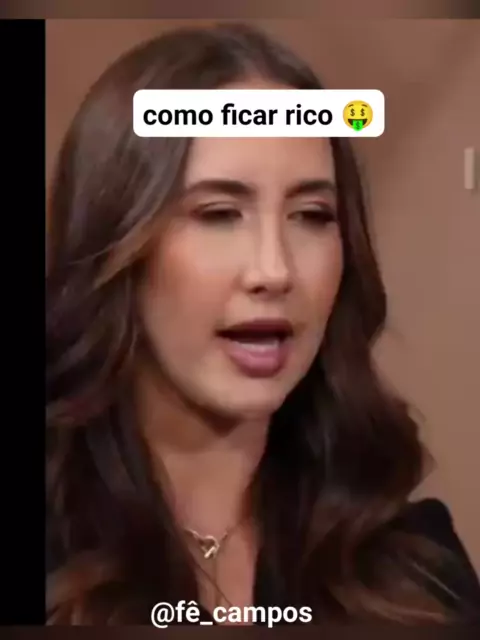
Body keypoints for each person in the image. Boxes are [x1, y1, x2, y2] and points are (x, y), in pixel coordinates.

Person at [45, 23, 480, 625]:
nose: (274, 271)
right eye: (219, 213)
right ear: (116, 242)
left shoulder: (419, 572)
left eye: (311, 215)